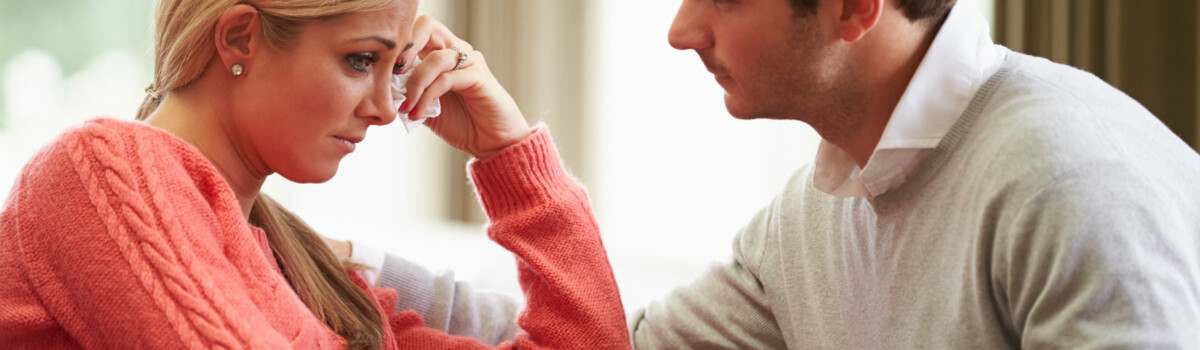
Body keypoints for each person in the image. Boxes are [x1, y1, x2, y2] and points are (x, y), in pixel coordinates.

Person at [347, 0, 1200, 348]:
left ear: (853, 8)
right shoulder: (816, 215)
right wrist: (344, 275)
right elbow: (609, 344)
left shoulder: (1070, 182)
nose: (682, 31)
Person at [0, 0, 630, 349]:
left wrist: (510, 152)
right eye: (361, 60)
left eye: (396, 70)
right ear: (240, 38)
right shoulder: (98, 174)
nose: (388, 109)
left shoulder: (309, 280)